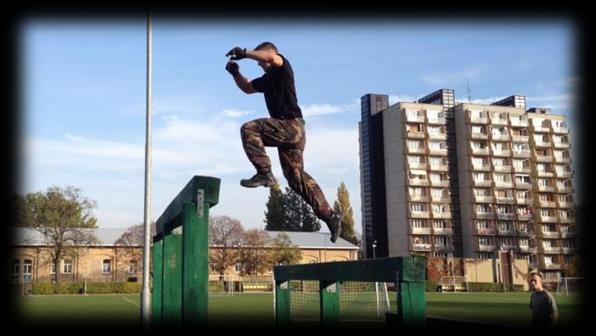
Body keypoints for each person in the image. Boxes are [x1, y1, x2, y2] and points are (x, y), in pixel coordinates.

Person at [224, 42, 343, 242]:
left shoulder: (282, 67)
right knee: (295, 179)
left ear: (270, 53)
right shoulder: (266, 80)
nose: (260, 65)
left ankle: (264, 173)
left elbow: (270, 58)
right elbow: (246, 87)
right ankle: (330, 216)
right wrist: (236, 73)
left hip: (291, 126)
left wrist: (245, 53)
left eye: (262, 62)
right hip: (290, 135)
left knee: (249, 128)